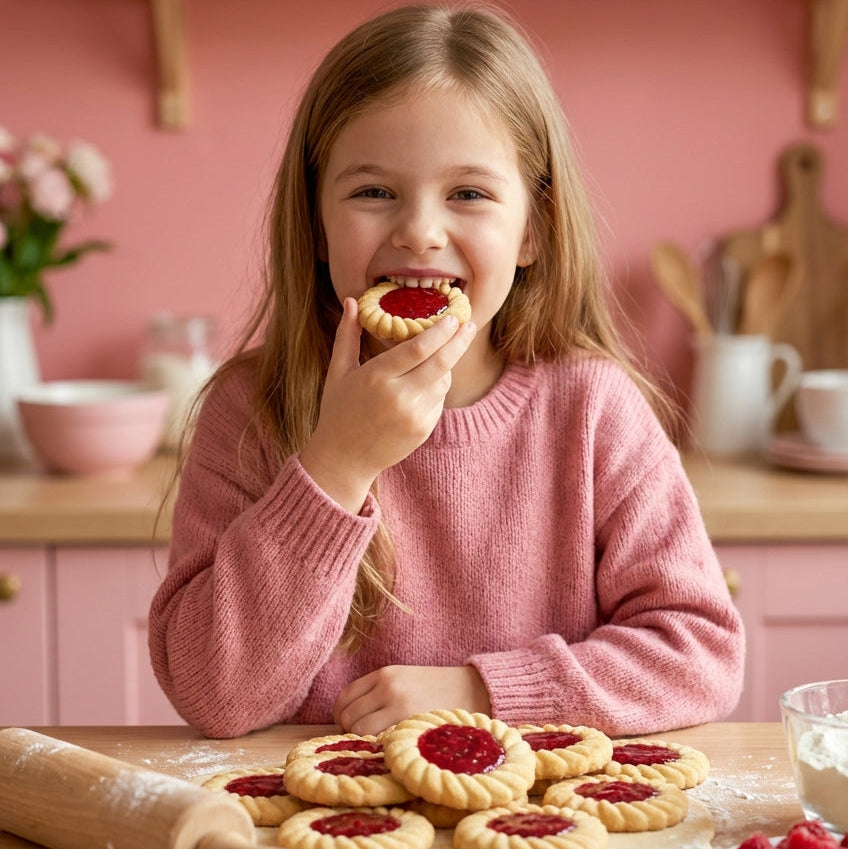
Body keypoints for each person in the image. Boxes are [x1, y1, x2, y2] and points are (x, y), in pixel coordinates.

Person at [148, 3, 744, 740]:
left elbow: (701, 653)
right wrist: (336, 464)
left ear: (533, 230)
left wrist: (483, 691)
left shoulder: (590, 409)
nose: (418, 230)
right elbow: (215, 694)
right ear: (316, 223)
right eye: (373, 191)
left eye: (468, 194)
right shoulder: (249, 410)